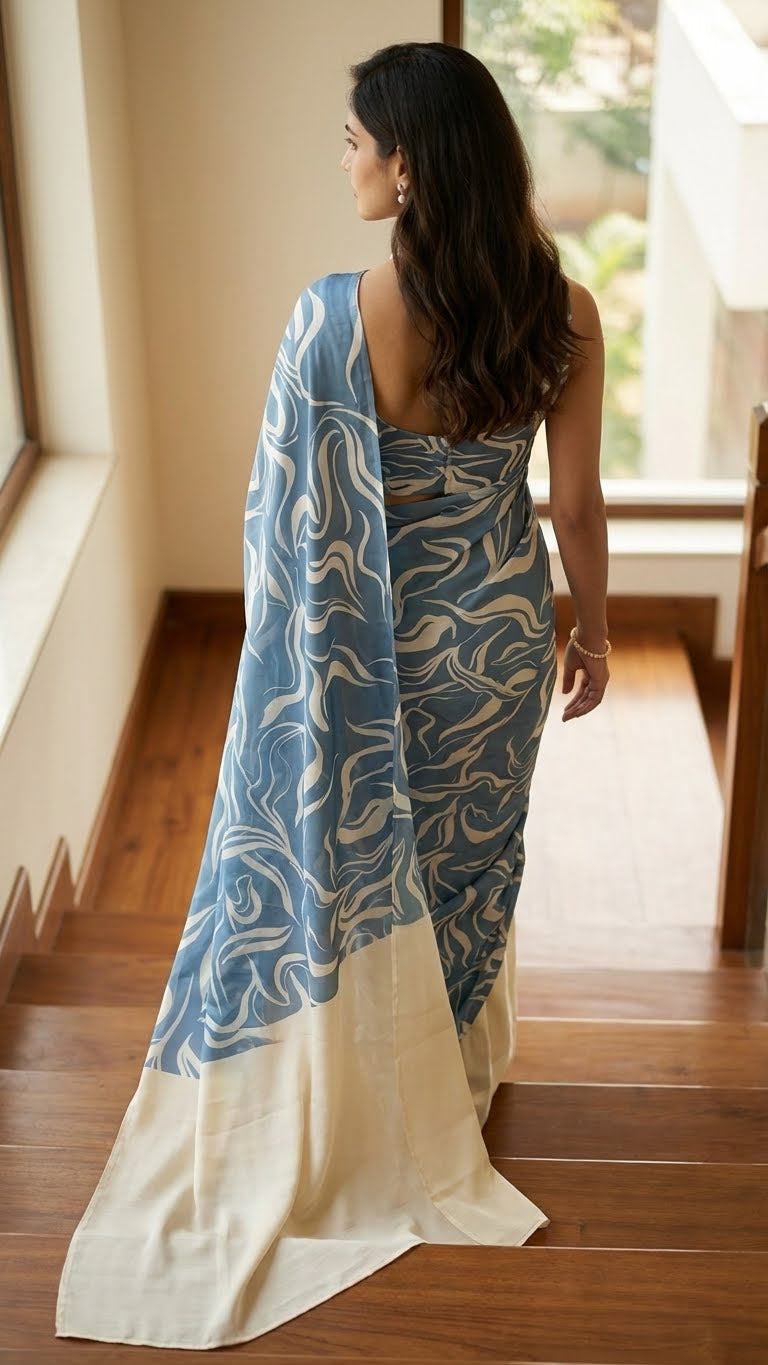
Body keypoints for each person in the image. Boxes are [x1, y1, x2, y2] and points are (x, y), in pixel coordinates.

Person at [55, 40, 609, 1351]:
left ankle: (367, 1096)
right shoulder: (568, 310)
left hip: (372, 658)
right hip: (494, 645)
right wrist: (593, 627)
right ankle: (445, 1084)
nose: (344, 159)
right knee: (468, 868)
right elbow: (577, 504)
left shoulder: (333, 317)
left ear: (408, 165)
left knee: (362, 878)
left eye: (354, 140)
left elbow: (283, 531)